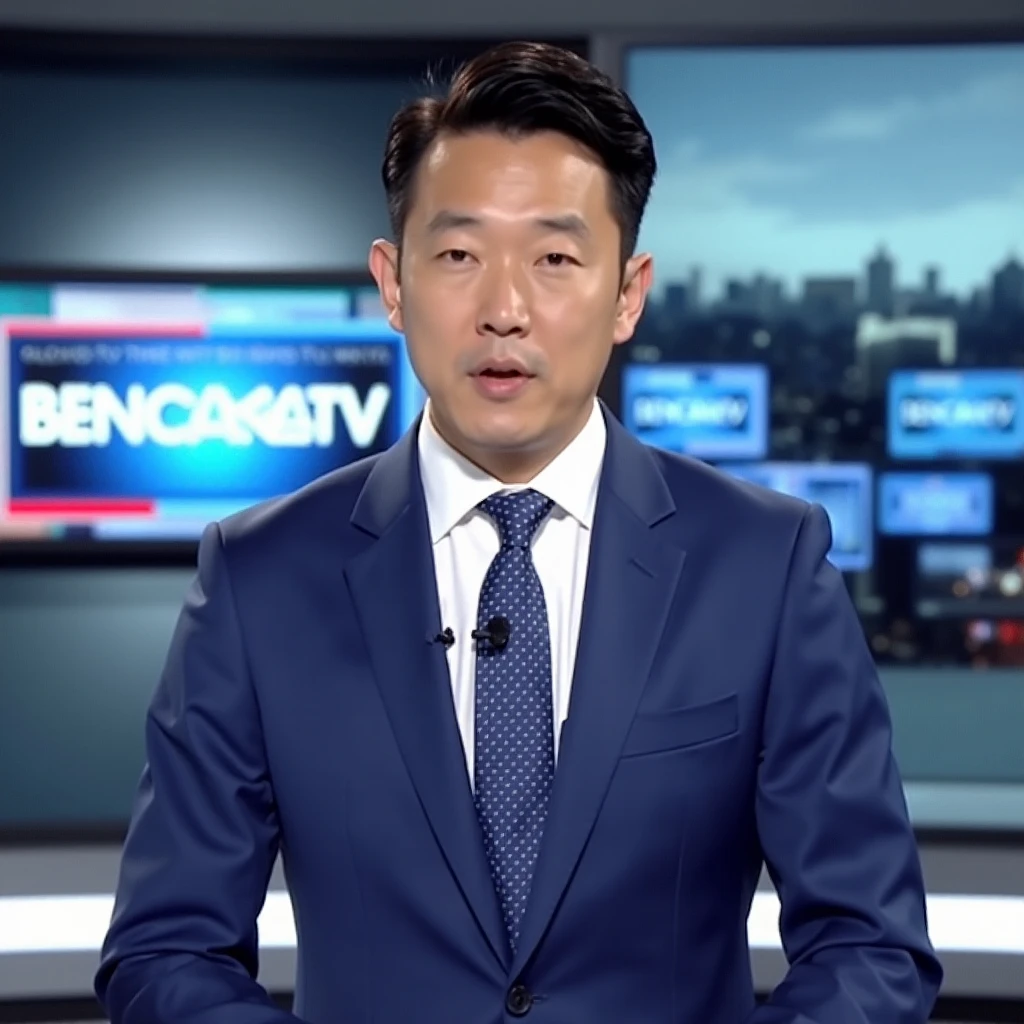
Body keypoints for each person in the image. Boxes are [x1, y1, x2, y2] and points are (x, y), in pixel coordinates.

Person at [95, 40, 942, 1024]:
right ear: (392, 281)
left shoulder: (763, 564)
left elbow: (868, 944)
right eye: (457, 255)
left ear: (626, 291)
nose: (503, 309)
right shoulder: (258, 578)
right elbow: (166, 949)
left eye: (553, 258)